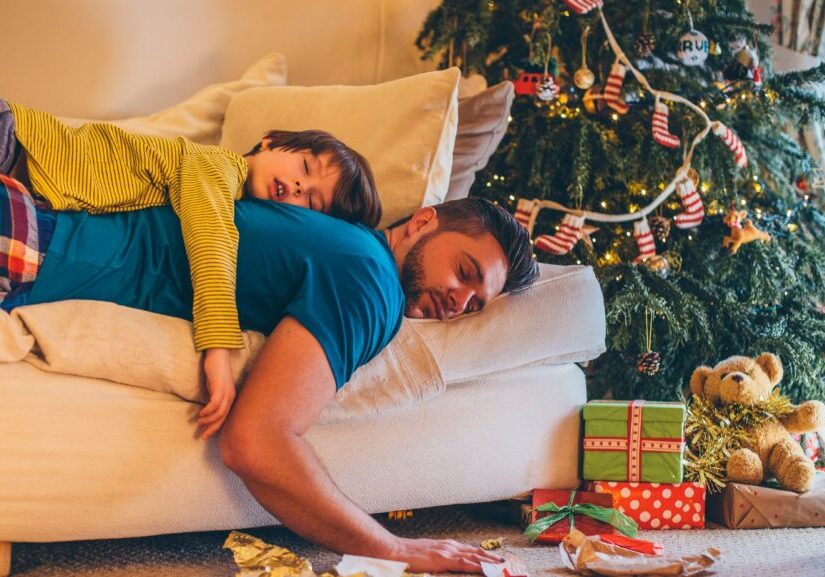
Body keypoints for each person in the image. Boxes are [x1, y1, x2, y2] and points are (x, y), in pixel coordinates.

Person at [0, 175, 539, 572]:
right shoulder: (371, 283)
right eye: (465, 272)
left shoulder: (342, 244)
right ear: (423, 221)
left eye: (474, 305)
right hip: (30, 252)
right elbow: (256, 440)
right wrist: (397, 547)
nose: (458, 300)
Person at [0, 100, 380, 438]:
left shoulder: (238, 205)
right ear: (269, 141)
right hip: (17, 143)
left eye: (312, 201)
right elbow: (210, 238)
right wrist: (219, 348)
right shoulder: (216, 166)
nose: (299, 186)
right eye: (305, 166)